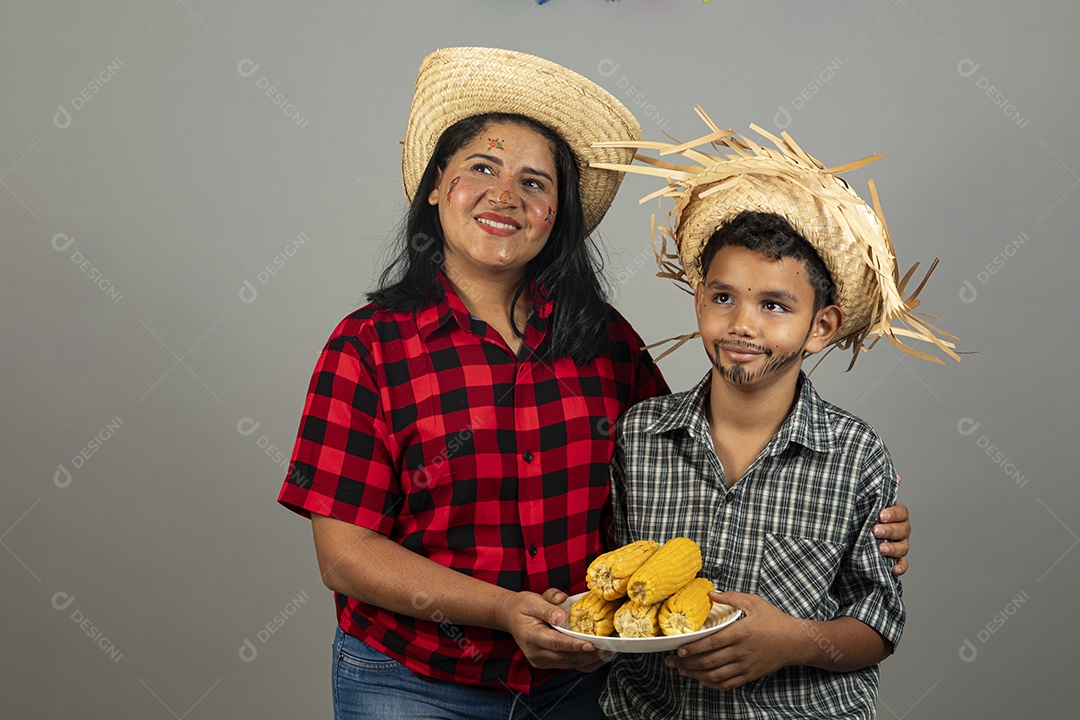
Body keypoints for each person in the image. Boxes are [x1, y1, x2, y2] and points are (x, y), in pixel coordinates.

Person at [276, 49, 913, 719]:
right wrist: (502, 610)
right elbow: (345, 555)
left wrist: (861, 510)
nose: (505, 196)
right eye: (481, 168)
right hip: (415, 681)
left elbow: (689, 458)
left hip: (579, 687)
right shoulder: (369, 346)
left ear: (560, 213)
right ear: (436, 186)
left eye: (535, 183)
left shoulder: (605, 344)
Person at [596, 118, 957, 719]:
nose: (742, 323)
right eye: (723, 297)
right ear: (699, 300)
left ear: (821, 327)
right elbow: (607, 581)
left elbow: (878, 621)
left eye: (773, 305)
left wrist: (787, 640)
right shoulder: (640, 436)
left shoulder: (854, 454)